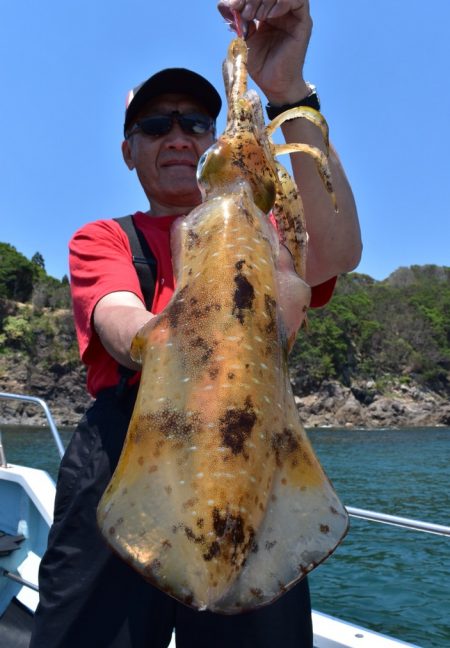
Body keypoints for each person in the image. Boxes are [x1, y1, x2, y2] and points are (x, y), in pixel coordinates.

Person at [30, 1, 362, 646]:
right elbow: (120, 324)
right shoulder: (106, 238)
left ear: (214, 141)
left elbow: (341, 251)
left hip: (253, 449)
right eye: (156, 126)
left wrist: (291, 92)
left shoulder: (270, 240)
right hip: (126, 455)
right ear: (128, 151)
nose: (179, 136)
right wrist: (165, 334)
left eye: (195, 123)